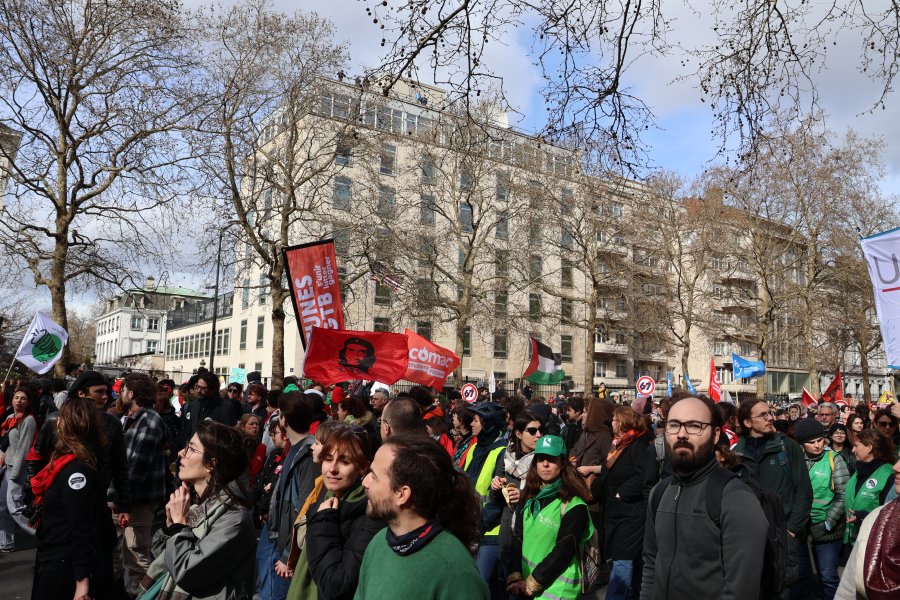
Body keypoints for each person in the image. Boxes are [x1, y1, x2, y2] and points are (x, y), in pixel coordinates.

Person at [641, 392, 768, 599]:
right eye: (674, 425)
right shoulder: (659, 492)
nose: (682, 434)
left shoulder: (735, 498)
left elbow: (741, 591)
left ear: (716, 435)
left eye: (694, 425)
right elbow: (650, 565)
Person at [355, 434, 489, 599]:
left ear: (402, 494)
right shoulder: (378, 543)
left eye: (374, 477)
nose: (365, 482)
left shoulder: (454, 570)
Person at [137, 421, 255, 599]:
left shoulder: (234, 519)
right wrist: (171, 527)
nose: (181, 453)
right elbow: (165, 557)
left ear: (211, 464)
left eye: (191, 449)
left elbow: (187, 572)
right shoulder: (197, 507)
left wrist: (178, 527)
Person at [31, 396, 115, 600]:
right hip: (55, 557)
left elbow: (82, 527)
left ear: (69, 424)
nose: (57, 421)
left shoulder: (77, 472)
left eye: (61, 417)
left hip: (64, 565)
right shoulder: (66, 461)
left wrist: (82, 581)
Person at [289, 426, 385, 600]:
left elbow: (338, 585)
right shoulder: (326, 496)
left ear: (362, 467)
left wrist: (323, 522)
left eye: (344, 461)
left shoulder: (370, 515)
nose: (332, 469)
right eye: (328, 459)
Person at [734, 397, 813, 591]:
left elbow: (804, 491)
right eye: (763, 415)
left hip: (784, 535)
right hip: (749, 539)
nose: (770, 418)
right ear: (747, 422)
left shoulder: (788, 447)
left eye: (770, 413)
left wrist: (792, 529)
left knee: (786, 590)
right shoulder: (736, 454)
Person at [506, 435, 594, 599]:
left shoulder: (575, 506)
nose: (545, 464)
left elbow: (563, 551)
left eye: (551, 459)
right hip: (525, 587)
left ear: (562, 464)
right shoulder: (529, 497)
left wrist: (533, 582)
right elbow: (517, 538)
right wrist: (514, 575)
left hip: (556, 590)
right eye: (540, 459)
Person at [590, 407, 657, 600]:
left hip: (631, 515)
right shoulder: (619, 444)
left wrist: (622, 492)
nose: (611, 422)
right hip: (618, 513)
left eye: (614, 419)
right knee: (633, 565)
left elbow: (644, 475)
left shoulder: (638, 444)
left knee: (623, 562)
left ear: (622, 423)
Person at [259, 391, 318, 600]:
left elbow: (305, 507)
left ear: (284, 419)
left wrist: (288, 555)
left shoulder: (309, 453)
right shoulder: (295, 448)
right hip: (278, 536)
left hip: (288, 547)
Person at [119, 373, 169, 596]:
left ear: (131, 393)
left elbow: (137, 467)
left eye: (123, 390)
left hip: (137, 500)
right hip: (128, 498)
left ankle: (144, 595)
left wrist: (122, 500)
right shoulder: (133, 418)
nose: (120, 394)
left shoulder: (148, 421)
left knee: (136, 555)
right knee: (123, 553)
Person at [794, 418, 850, 600]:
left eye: (820, 440)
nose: (817, 445)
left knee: (828, 577)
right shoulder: (796, 461)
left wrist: (828, 522)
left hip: (827, 531)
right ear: (801, 444)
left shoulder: (835, 459)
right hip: (802, 530)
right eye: (811, 442)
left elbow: (843, 495)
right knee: (803, 577)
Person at [487, 411, 542, 582]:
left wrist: (524, 495)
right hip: (508, 533)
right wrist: (496, 487)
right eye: (532, 431)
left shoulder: (544, 460)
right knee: (507, 583)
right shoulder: (506, 457)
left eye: (540, 430)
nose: (538, 435)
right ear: (518, 434)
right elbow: (496, 501)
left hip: (533, 535)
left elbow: (553, 496)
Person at [834, 456, 900, 599]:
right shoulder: (876, 519)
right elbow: (847, 591)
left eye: (858, 445)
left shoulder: (884, 473)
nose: (896, 467)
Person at [466, 401, 508, 599]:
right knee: (492, 588)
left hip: (491, 530)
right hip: (473, 527)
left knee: (478, 584)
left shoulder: (501, 451)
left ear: (489, 424)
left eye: (475, 420)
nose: (471, 424)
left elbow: (498, 499)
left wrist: (480, 524)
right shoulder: (474, 449)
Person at [844, 429, 897, 546]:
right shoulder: (858, 471)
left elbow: (891, 514)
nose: (853, 450)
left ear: (869, 448)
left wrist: (864, 517)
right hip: (852, 541)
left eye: (856, 446)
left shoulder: (888, 474)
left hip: (872, 543)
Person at [1, 384, 37, 550]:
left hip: (18, 469)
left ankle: (42, 533)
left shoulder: (29, 420)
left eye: (23, 398)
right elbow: (6, 444)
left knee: (14, 506)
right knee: (2, 505)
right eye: (16, 397)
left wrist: (15, 473)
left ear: (28, 402)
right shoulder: (10, 419)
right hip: (6, 467)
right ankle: (6, 542)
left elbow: (24, 448)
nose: (19, 401)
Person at [181, 372, 242, 444]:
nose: (199, 391)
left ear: (213, 389)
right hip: (195, 449)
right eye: (198, 387)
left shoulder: (226, 407)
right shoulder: (194, 405)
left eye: (204, 388)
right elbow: (188, 431)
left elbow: (229, 434)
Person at [238, 413, 267, 485]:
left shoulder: (262, 447)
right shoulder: (236, 444)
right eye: (251, 424)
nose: (255, 426)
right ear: (242, 427)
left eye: (257, 424)